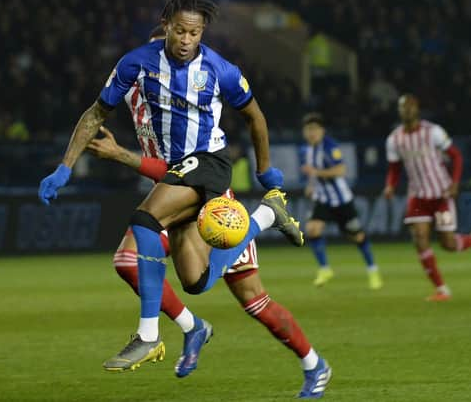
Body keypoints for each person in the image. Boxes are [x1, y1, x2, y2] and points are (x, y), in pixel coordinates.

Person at [37, 0, 329, 397]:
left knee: (158, 236)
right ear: (165, 27)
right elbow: (97, 113)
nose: (185, 40)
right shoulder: (137, 69)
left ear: (202, 33)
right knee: (194, 282)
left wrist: (267, 174)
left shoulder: (218, 70)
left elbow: (255, 118)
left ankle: (153, 335)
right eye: (179, 32)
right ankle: (257, 233)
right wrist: (64, 167)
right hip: (177, 180)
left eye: (194, 33)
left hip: (210, 179)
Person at [87, 121, 330, 396]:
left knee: (255, 301)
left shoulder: (179, 98)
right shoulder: (142, 94)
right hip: (173, 208)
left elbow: (188, 167)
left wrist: (120, 155)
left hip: (213, 210)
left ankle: (314, 364)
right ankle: (192, 326)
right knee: (127, 260)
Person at [384, 94, 471, 301]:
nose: (407, 110)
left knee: (449, 243)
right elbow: (394, 168)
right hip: (418, 198)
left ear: (417, 109)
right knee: (420, 238)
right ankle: (442, 289)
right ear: (399, 111)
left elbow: (456, 155)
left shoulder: (433, 132)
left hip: (441, 196)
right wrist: (390, 185)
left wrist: (454, 183)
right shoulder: (394, 139)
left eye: (410, 106)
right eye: (403, 107)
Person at [300, 113, 383, 289]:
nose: (311, 133)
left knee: (357, 237)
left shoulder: (330, 147)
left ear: (322, 130)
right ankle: (325, 269)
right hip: (323, 199)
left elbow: (340, 170)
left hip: (342, 201)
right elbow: (313, 173)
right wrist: (311, 185)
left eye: (314, 129)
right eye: (308, 129)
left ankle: (373, 270)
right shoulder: (308, 150)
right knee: (312, 229)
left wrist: (315, 173)